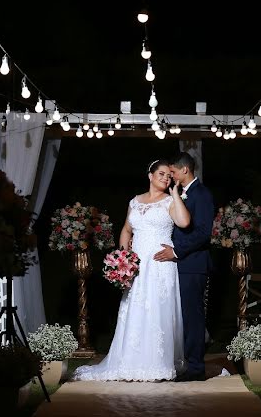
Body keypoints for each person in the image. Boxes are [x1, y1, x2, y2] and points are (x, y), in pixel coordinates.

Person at [71, 159, 190, 381]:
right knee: (135, 311)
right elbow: (126, 230)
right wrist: (123, 257)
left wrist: (175, 193)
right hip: (136, 266)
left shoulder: (169, 201)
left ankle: (157, 364)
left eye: (168, 175)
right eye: (161, 174)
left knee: (156, 311)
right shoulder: (135, 202)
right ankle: (130, 361)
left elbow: (183, 222)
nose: (166, 178)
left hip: (159, 265)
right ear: (150, 175)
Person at [155, 152, 214, 382]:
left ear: (184, 171)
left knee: (193, 317)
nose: (171, 177)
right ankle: (183, 362)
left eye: (173, 173)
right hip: (178, 265)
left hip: (193, 265)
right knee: (180, 317)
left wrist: (176, 251)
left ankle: (197, 368)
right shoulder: (180, 194)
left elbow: (203, 233)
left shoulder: (202, 194)